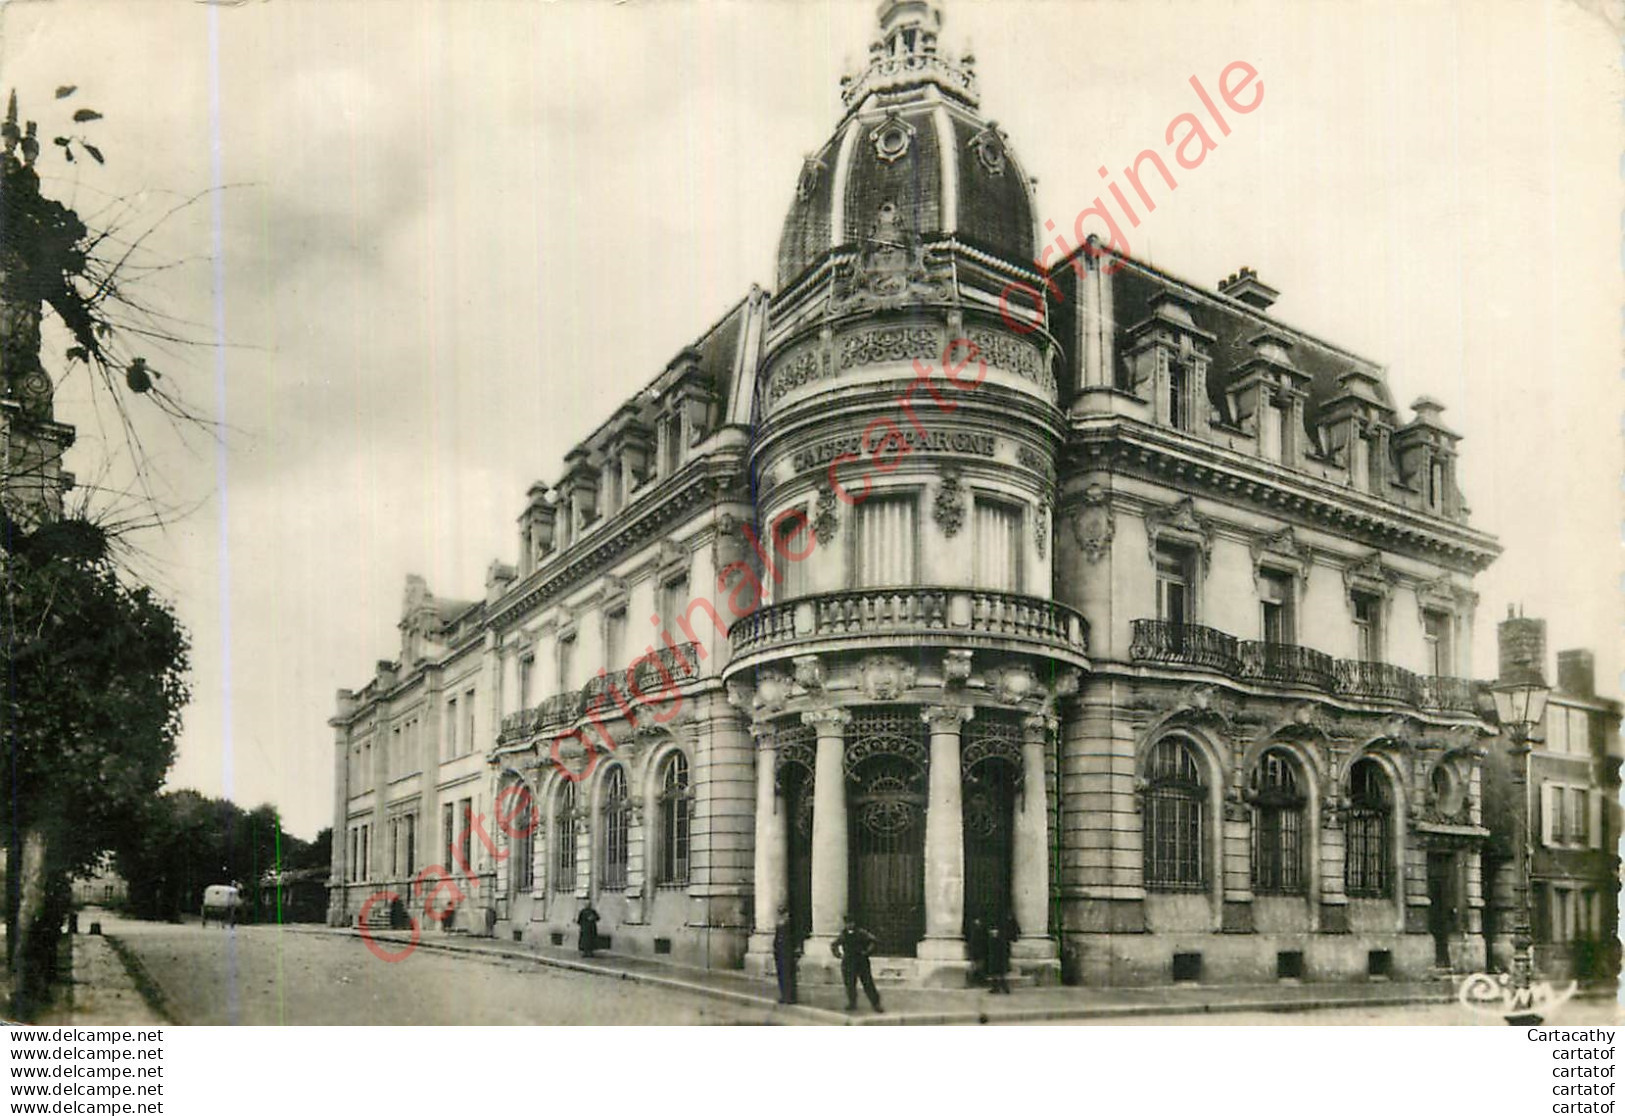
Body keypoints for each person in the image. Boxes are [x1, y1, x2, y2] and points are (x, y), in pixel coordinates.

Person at [830, 913, 883, 1013]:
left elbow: (873, 941)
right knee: (850, 984)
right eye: (847, 923)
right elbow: (834, 945)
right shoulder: (843, 934)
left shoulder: (861, 933)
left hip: (861, 961)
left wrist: (866, 952)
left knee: (867, 983)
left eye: (851, 923)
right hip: (848, 961)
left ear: (854, 923)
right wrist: (838, 955)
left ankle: (876, 1004)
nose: (849, 925)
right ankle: (852, 1003)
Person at [772, 905, 801, 1005]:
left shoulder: (789, 926)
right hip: (780, 954)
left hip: (788, 954)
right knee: (782, 976)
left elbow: (794, 940)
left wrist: (795, 952)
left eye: (783, 913)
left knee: (788, 976)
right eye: (780, 913)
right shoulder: (780, 925)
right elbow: (776, 941)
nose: (782, 916)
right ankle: (784, 996)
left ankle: (790, 997)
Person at [984, 920, 1011, 994]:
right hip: (999, 938)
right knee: (996, 963)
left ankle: (1001, 985)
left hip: (1000, 939)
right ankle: (998, 985)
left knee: (998, 962)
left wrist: (995, 928)